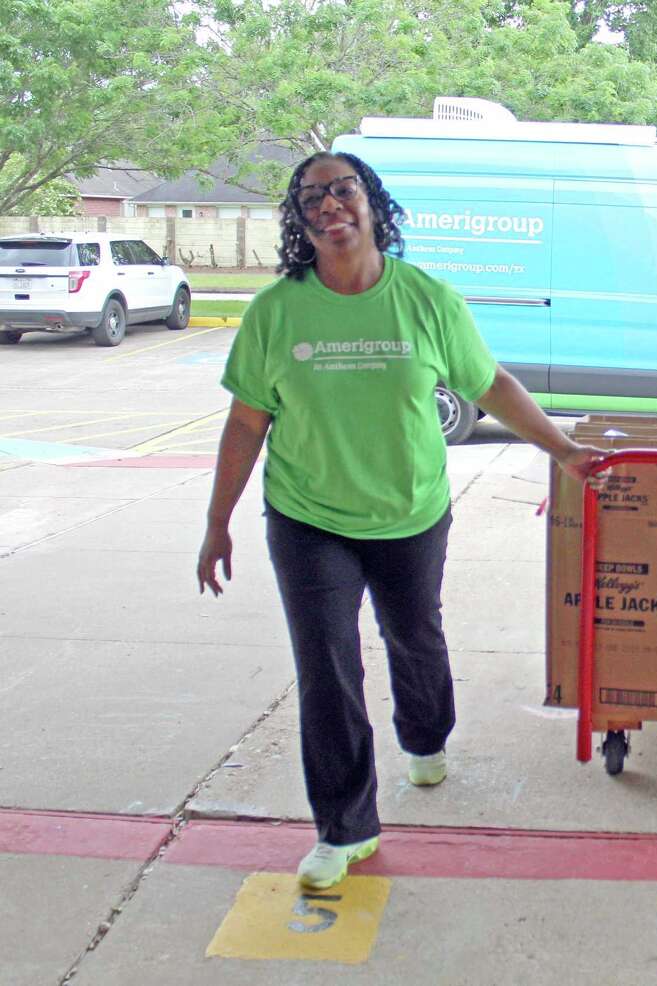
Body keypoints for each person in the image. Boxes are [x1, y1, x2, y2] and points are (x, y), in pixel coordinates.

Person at [196, 151, 601, 891]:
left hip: (410, 512)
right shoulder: (276, 310)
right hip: (307, 516)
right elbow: (246, 421)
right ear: (300, 217)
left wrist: (562, 448)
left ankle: (426, 734)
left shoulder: (426, 299)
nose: (329, 204)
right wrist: (217, 520)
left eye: (343, 189)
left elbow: (491, 384)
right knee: (326, 668)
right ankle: (343, 828)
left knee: (413, 635)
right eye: (312, 195)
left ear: (372, 204)